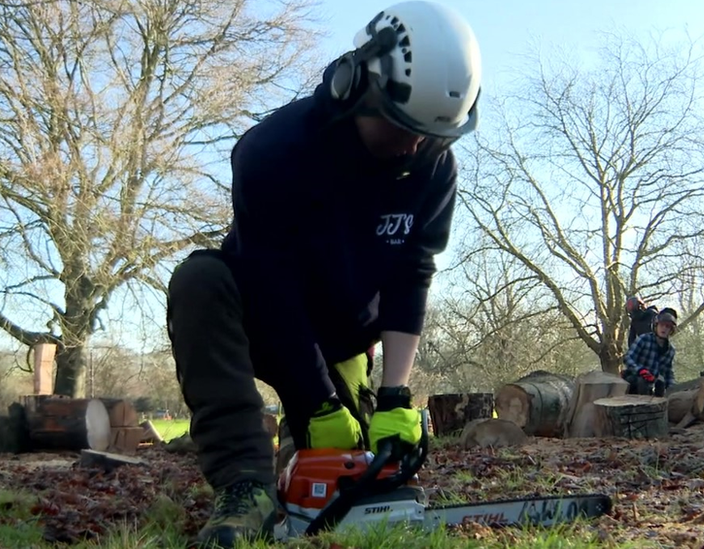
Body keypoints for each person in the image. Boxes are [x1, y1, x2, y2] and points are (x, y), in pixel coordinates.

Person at [164, 2, 483, 547]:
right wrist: (316, 399)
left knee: (344, 461)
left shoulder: (434, 165)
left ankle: (302, 439)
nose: (413, 145)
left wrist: (396, 396)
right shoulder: (274, 152)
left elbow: (412, 273)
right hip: (260, 318)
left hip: (346, 331)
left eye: (430, 135)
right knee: (197, 281)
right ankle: (245, 486)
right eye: (403, 126)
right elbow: (270, 284)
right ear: (355, 84)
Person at [622, 310, 678, 397]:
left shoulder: (670, 350)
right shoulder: (644, 339)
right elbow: (628, 358)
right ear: (656, 326)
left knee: (660, 384)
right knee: (641, 381)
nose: (664, 329)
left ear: (671, 330)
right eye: (661, 325)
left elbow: (668, 372)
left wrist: (673, 389)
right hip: (633, 381)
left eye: (667, 327)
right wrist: (640, 370)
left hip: (651, 385)